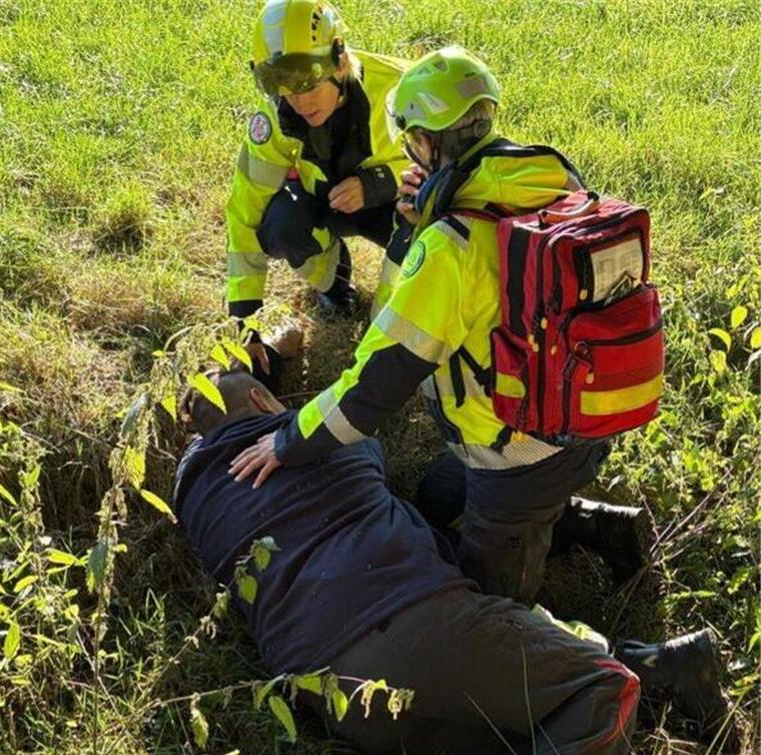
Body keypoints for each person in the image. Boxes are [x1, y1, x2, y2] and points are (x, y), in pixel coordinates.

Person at [173, 369, 729, 755]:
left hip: (338, 701)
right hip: (412, 623)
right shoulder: (325, 441)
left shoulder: (191, 495)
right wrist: (294, 420)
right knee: (602, 686)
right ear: (263, 401)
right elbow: (366, 445)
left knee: (536, 724)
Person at [228, 46, 650, 604]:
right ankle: (602, 524)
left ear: (427, 142)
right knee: (436, 497)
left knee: (482, 610)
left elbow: (377, 381)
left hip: (519, 455)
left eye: (411, 141)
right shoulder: (548, 178)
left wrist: (289, 442)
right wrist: (418, 218)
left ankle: (644, 659)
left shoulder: (451, 248)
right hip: (589, 414)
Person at [226, 0, 410, 374]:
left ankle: (396, 321)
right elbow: (245, 216)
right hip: (326, 203)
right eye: (278, 84)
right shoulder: (277, 118)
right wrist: (245, 323)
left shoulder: (401, 88)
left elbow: (447, 166)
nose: (296, 99)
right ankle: (337, 288)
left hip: (397, 201)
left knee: (431, 234)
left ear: (339, 59)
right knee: (280, 227)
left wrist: (375, 185)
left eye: (305, 79)